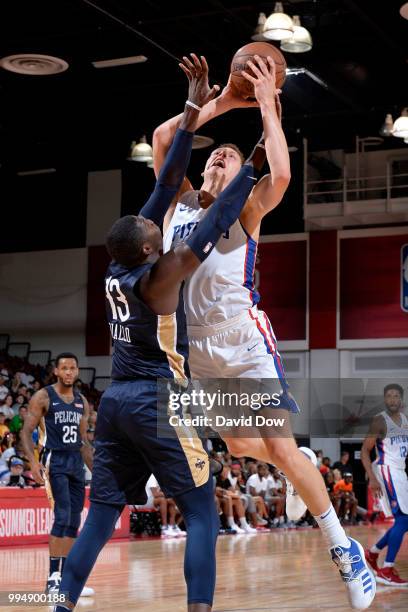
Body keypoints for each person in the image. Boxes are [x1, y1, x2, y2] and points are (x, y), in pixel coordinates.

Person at [153, 54, 375, 609]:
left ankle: (340, 545)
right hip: (194, 347)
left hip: (242, 337)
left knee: (277, 444)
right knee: (239, 445)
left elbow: (280, 174)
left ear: (235, 177)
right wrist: (225, 99)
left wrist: (271, 107)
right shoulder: (175, 203)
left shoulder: (247, 208)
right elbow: (164, 135)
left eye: (231, 154)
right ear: (204, 168)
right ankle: (296, 469)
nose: (222, 154)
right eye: (216, 154)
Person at [52, 54, 266, 612]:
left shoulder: (119, 266)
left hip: (117, 401)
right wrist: (253, 165)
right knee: (201, 513)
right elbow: (218, 221)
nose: (157, 218)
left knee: (101, 515)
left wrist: (196, 107)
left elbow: (170, 178)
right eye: (154, 227)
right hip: (157, 400)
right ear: (151, 247)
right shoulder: (162, 275)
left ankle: (61, 602)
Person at [20, 353, 94, 596]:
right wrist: (32, 462)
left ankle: (68, 579)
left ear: (77, 371)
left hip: (75, 462)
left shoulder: (82, 401)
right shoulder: (43, 396)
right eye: (64, 368)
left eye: (73, 368)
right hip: (55, 460)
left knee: (74, 520)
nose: (69, 372)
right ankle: (52, 578)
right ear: (56, 371)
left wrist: (97, 472)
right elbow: (26, 432)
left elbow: (83, 442)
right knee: (62, 517)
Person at [362, 383, 408, 587]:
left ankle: (372, 554)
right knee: (404, 520)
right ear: (385, 400)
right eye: (388, 396)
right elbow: (365, 450)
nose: (392, 399)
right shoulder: (380, 421)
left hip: (400, 471)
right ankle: (386, 569)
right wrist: (371, 478)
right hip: (386, 470)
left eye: (396, 396)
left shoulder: (405, 420)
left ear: (401, 399)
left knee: (404, 521)